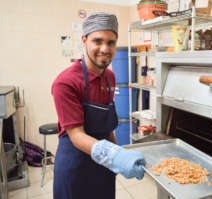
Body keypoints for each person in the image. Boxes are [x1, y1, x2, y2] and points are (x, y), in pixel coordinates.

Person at [52, 12, 145, 199]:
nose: (105, 48)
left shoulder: (110, 77)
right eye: (98, 41)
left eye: (111, 42)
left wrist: (116, 156)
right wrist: (115, 156)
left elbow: (107, 126)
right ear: (84, 40)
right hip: (75, 166)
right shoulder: (66, 82)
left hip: (103, 166)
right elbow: (76, 135)